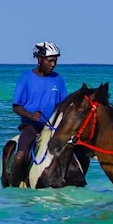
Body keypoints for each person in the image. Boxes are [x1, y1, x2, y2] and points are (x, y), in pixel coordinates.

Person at [10, 42, 68, 174]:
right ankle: (15, 188)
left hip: (53, 128)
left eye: (55, 61)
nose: (53, 64)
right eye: (50, 61)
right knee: (19, 157)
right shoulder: (25, 78)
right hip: (31, 127)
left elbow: (63, 105)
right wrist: (31, 116)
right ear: (39, 59)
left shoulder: (58, 79)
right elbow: (16, 106)